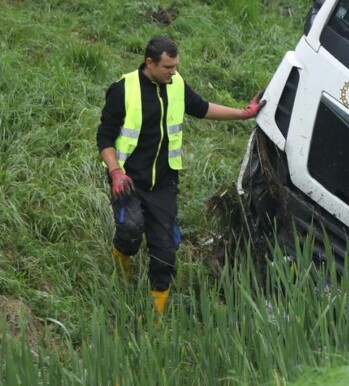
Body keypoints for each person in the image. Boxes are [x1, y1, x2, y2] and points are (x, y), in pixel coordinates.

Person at [96, 35, 264, 314]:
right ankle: (121, 272)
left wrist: (244, 114)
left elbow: (204, 108)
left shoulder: (176, 86)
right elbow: (104, 137)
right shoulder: (123, 89)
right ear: (150, 63)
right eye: (168, 67)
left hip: (163, 183)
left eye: (176, 66)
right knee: (130, 230)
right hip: (127, 180)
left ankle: (156, 319)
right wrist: (115, 172)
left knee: (166, 252)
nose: (174, 72)